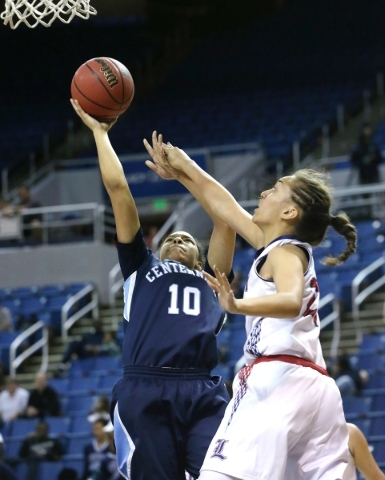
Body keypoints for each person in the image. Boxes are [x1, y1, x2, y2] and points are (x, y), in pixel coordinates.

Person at [144, 135, 358, 480]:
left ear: (289, 212)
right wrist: (183, 170)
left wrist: (236, 303)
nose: (262, 193)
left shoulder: (285, 253)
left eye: (274, 189)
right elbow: (224, 206)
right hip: (315, 390)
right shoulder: (278, 247)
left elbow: (290, 301)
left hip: (277, 381)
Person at [71, 99, 235, 480]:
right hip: (145, 386)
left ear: (199, 254)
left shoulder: (215, 278)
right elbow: (118, 190)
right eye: (171, 238)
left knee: (225, 474)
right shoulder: (139, 268)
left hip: (201, 390)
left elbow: (224, 221)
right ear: (157, 250)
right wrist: (100, 134)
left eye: (187, 238)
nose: (178, 238)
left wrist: (184, 175)